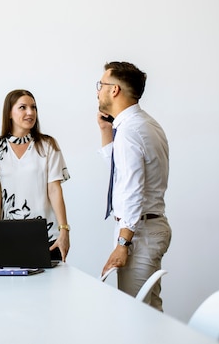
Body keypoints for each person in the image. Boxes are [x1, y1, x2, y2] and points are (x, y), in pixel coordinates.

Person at [96, 61, 172, 311]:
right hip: (146, 227)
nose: (98, 91)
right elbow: (121, 169)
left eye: (101, 85)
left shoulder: (130, 130)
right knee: (151, 312)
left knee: (134, 315)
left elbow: (132, 189)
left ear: (114, 90)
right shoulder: (144, 124)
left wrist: (123, 243)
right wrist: (106, 130)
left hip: (138, 234)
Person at [0, 89, 71, 262]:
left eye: (33, 107)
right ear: (9, 112)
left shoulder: (48, 145)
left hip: (48, 236)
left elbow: (54, 189)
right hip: (8, 236)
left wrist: (64, 230)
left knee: (50, 288)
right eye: (23, 107)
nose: (30, 112)